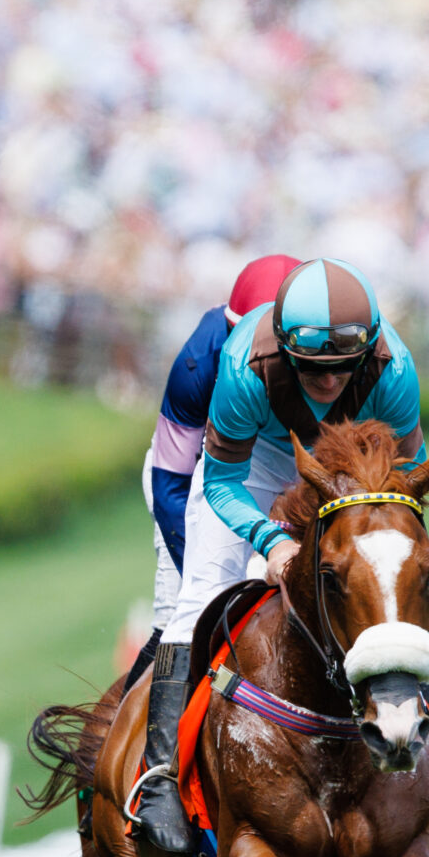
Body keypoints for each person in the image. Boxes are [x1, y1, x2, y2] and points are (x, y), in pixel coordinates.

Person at [131, 258, 429, 857]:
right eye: (312, 368)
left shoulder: (393, 370)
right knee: (195, 602)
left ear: (366, 351)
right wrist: (271, 541)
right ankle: (160, 777)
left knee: (395, 598)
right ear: (285, 352)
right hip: (248, 463)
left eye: (342, 366)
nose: (327, 380)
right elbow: (219, 485)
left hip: (347, 461)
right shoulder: (243, 365)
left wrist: (394, 545)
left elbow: (407, 482)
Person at [137, 254, 301, 683]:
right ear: (231, 329)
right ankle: (126, 741)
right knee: (184, 609)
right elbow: (171, 481)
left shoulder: (328, 359)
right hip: (189, 476)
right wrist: (203, 575)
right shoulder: (198, 361)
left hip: (278, 473)